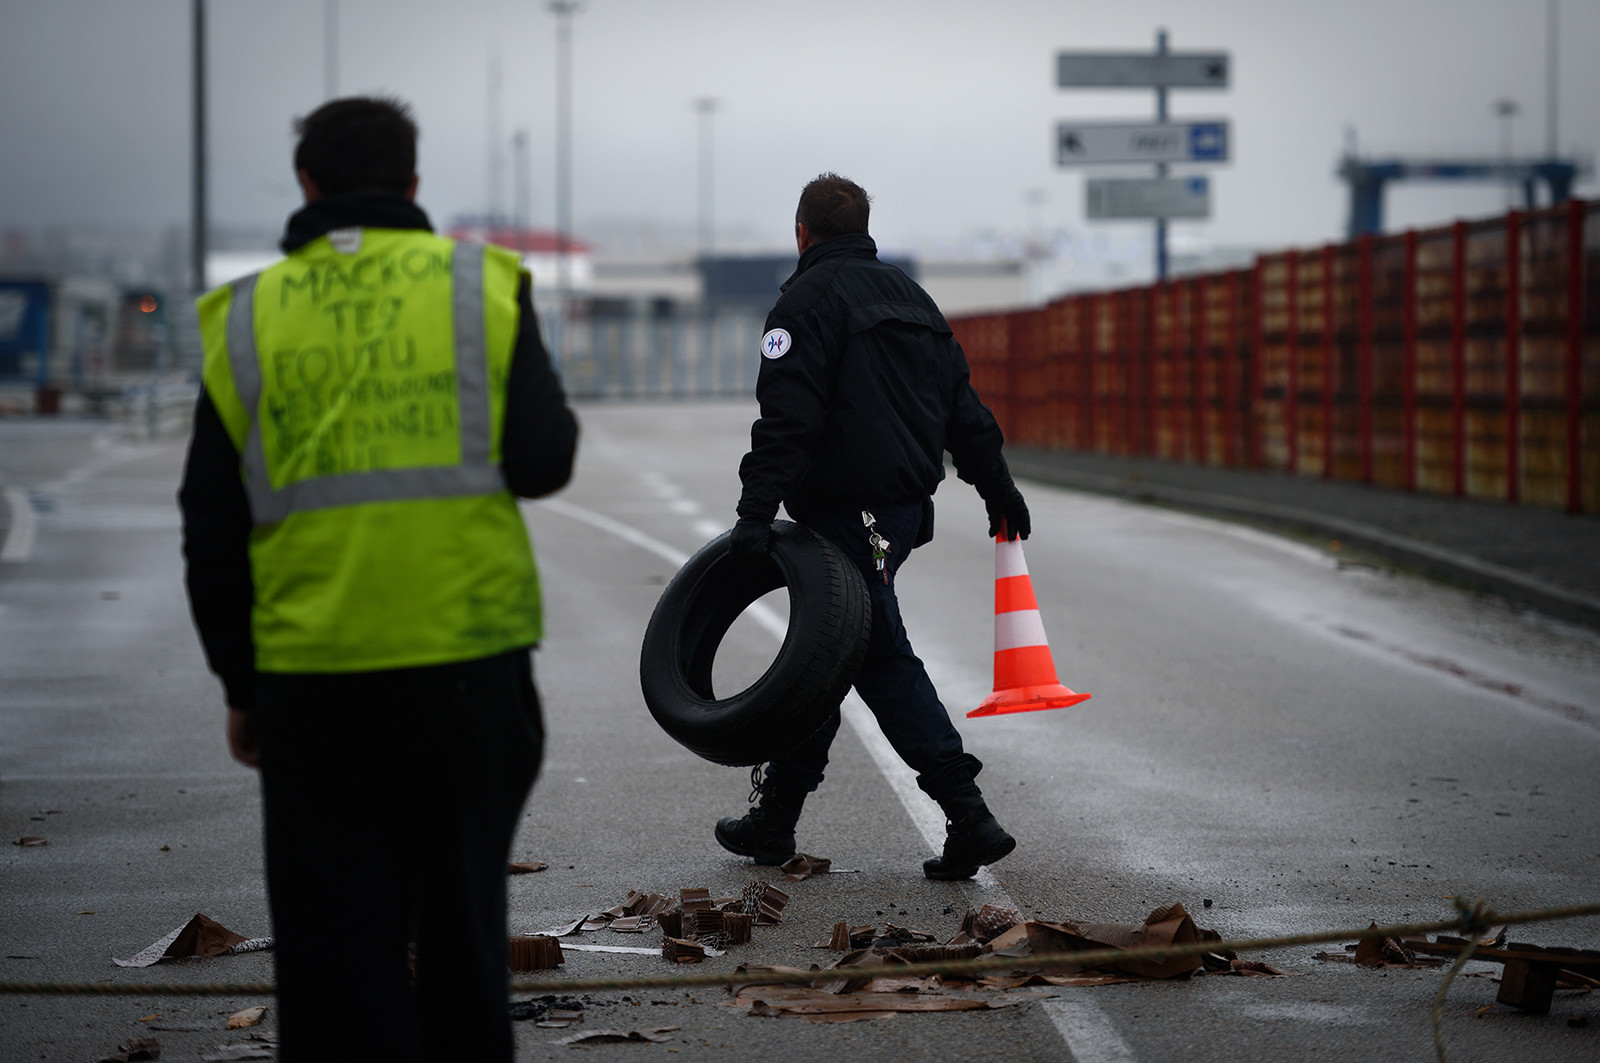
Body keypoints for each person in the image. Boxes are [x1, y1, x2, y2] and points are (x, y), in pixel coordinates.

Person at [178, 96, 577, 1062]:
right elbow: (541, 460)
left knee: (329, 953)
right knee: (463, 936)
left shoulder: (250, 315)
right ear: (412, 184)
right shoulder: (479, 286)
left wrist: (243, 687)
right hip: (470, 671)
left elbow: (211, 523)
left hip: (314, 681)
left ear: (307, 186)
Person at [719, 173, 1030, 881]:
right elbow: (964, 410)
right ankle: (774, 822)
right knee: (831, 652)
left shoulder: (803, 304)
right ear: (864, 229)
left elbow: (787, 423)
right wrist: (997, 486)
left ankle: (968, 812)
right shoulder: (914, 301)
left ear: (801, 232)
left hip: (843, 515)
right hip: (898, 514)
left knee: (877, 655)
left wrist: (753, 515)